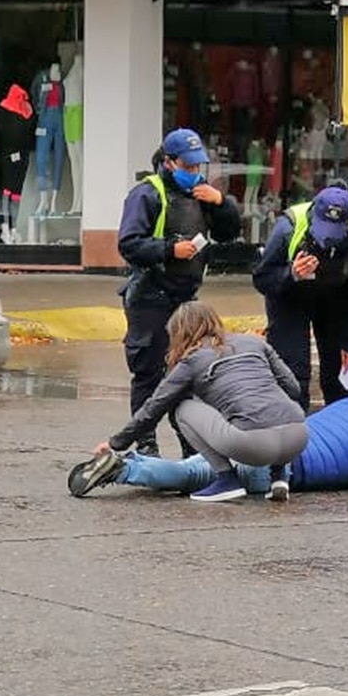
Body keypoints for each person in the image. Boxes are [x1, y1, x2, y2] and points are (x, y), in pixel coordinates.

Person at [77, 302, 307, 503]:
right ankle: (279, 478)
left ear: (179, 333)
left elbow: (154, 407)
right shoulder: (255, 343)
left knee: (181, 408)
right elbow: (293, 388)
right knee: (275, 402)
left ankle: (227, 480)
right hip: (298, 437)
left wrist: (116, 443)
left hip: (254, 446)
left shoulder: (191, 360)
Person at [72, 386, 348, 499]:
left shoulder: (347, 407)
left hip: (260, 435)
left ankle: (128, 463)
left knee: (200, 464)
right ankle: (128, 468)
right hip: (278, 468)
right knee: (189, 474)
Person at [116, 129, 242, 456]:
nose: (194, 173)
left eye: (198, 166)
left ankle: (192, 447)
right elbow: (129, 243)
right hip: (149, 296)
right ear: (169, 163)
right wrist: (170, 250)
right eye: (187, 167)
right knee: (148, 373)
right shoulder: (147, 194)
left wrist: (222, 204)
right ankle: (146, 446)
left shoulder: (203, 194)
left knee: (188, 376)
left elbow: (228, 234)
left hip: (185, 299)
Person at [253, 183, 348, 412]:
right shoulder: (288, 229)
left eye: (335, 232)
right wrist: (291, 274)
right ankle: (293, 434)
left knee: (338, 376)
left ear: (347, 223)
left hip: (337, 298)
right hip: (290, 299)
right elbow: (262, 279)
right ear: (314, 215)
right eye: (323, 230)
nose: (327, 239)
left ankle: (340, 433)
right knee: (293, 374)